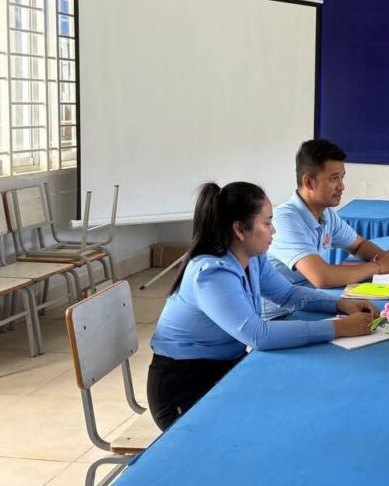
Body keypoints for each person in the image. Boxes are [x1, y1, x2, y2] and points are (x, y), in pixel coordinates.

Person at [148, 181, 376, 431]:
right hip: (185, 386)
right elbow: (258, 335)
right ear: (240, 229)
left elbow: (287, 293)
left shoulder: (252, 257)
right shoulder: (211, 274)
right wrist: (339, 328)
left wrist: (341, 304)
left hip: (225, 367)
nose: (273, 230)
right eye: (267, 223)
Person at [269, 139, 389, 289]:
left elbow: (359, 245)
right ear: (308, 182)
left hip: (310, 296)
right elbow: (322, 277)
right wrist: (381, 266)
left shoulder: (327, 214)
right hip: (286, 304)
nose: (341, 186)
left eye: (342, 177)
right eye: (334, 178)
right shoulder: (284, 221)